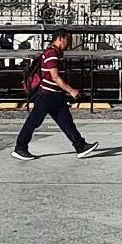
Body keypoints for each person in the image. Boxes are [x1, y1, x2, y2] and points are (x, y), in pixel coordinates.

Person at [12, 29, 98, 161]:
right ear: (60, 38)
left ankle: (80, 146)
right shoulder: (51, 54)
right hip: (46, 95)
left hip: (55, 95)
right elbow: (55, 76)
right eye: (67, 40)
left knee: (67, 122)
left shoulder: (55, 54)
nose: (68, 43)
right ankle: (20, 148)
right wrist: (71, 90)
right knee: (33, 122)